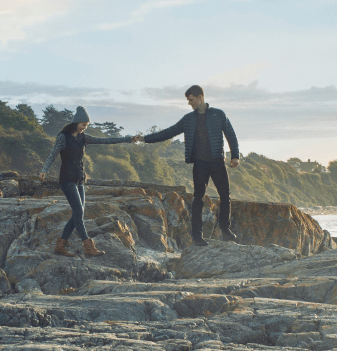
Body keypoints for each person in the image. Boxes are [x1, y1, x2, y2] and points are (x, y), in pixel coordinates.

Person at [139, 85, 239, 246]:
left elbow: (230, 134)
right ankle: (197, 236)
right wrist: (145, 139)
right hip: (199, 163)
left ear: (200, 98)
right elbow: (168, 133)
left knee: (225, 196)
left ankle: (225, 229)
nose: (189, 103)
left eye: (191, 100)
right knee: (198, 198)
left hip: (217, 161)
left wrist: (235, 156)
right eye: (188, 100)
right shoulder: (188, 119)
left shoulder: (218, 114)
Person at [39, 106, 135, 256]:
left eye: (87, 125)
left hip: (79, 180)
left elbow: (106, 140)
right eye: (83, 125)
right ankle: (89, 247)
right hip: (67, 180)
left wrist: (128, 139)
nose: (85, 128)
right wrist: (44, 169)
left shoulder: (84, 138)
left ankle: (60, 245)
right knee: (78, 212)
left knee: (78, 214)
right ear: (76, 123)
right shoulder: (63, 137)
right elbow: (53, 155)